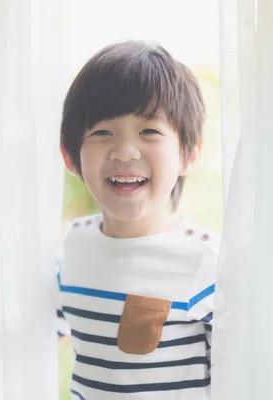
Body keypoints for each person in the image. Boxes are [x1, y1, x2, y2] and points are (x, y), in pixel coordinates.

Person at [56, 40, 218, 400]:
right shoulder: (72, 245)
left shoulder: (206, 260)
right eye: (102, 133)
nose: (125, 151)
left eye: (149, 132)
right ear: (71, 157)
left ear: (188, 156)